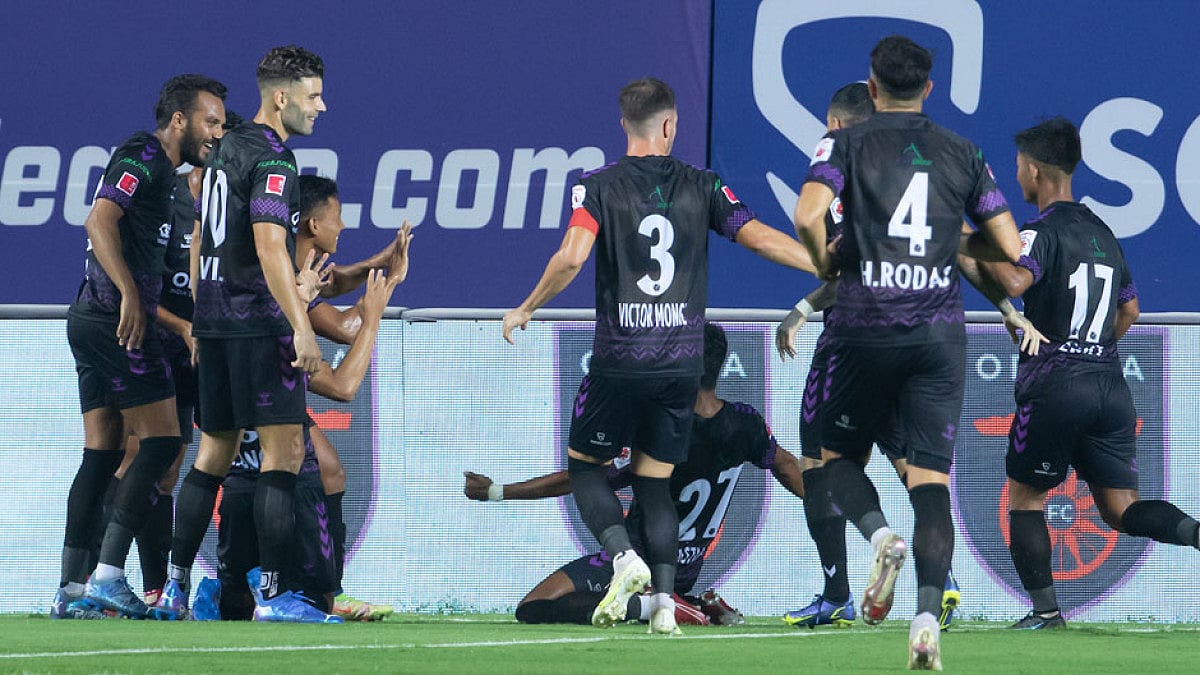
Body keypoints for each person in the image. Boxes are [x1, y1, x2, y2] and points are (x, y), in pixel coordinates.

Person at [503, 77, 816, 636]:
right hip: (679, 365)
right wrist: (822, 267)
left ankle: (624, 559)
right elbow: (759, 237)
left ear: (624, 125)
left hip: (621, 358)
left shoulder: (596, 185)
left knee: (585, 466)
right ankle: (666, 602)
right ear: (670, 125)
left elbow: (573, 256)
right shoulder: (705, 185)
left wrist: (526, 306)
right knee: (653, 481)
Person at [778, 83, 1045, 632]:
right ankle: (936, 583)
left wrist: (804, 304)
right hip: (926, 343)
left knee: (821, 463)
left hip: (852, 343)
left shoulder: (847, 172)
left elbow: (840, 260)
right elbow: (969, 246)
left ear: (837, 123)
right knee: (919, 472)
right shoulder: (939, 165)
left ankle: (838, 592)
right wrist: (1005, 306)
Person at [979, 117, 1200, 630]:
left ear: (1034, 171)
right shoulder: (1104, 234)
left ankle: (1046, 612)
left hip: (1057, 385)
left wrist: (972, 249)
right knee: (1122, 509)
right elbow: (1131, 311)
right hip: (1108, 386)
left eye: (1018, 168)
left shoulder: (1038, 233)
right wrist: (1092, 348)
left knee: (1026, 498)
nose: (1017, 177)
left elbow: (1016, 278)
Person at [468, 322, 805, 626]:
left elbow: (582, 478)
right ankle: (692, 601)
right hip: (685, 568)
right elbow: (787, 467)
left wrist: (497, 491)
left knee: (534, 606)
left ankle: (659, 607)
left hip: (644, 560)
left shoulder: (663, 425)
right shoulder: (747, 423)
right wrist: (828, 508)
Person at [160, 45, 330, 623]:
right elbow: (268, 245)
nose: (321, 106)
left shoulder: (223, 148)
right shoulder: (274, 160)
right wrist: (302, 327)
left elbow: (201, 239)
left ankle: (175, 587)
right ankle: (277, 598)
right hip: (259, 325)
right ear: (281, 98)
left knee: (213, 453)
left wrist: (203, 318)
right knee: (284, 455)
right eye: (313, 96)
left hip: (215, 325)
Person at [54, 74, 227, 620]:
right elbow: (98, 218)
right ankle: (107, 577)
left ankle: (71, 591)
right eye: (211, 121)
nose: (217, 133)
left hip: (91, 315)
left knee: (102, 453)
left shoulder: (169, 178)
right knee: (160, 443)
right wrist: (130, 293)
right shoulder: (144, 156)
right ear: (179, 119)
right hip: (113, 319)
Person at [202, 265, 402, 622]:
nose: (340, 228)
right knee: (301, 469)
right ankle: (276, 592)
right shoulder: (276, 304)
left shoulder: (244, 299)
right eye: (334, 221)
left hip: (242, 468)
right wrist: (371, 320)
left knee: (324, 469)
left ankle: (222, 587)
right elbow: (343, 386)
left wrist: (379, 280)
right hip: (270, 459)